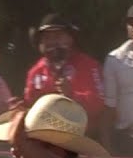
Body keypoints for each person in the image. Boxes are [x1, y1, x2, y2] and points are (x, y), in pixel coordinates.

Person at [24, 14, 108, 144]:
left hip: (84, 141)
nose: (52, 42)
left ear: (71, 38)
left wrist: (72, 95)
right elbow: (29, 106)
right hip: (44, 142)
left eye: (57, 36)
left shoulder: (89, 66)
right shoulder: (35, 72)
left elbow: (99, 104)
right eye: (47, 38)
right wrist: (19, 107)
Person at [102, 3, 133, 156]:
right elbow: (109, 106)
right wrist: (107, 147)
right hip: (127, 139)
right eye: (132, 23)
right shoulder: (114, 59)